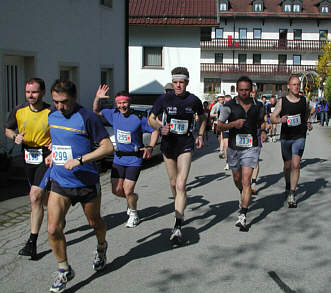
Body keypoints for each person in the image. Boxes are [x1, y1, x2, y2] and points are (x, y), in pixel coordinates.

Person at [46, 80, 113, 292]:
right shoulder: (51, 115)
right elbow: (58, 140)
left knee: (95, 223)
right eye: (55, 102)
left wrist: (80, 160)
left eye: (64, 102)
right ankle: (64, 269)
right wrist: (52, 154)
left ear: (74, 98)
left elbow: (107, 147)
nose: (59, 107)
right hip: (60, 181)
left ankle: (101, 247)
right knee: (52, 228)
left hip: (86, 182)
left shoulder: (88, 118)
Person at [148, 67, 206, 246]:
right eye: (175, 82)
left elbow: (203, 117)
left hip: (186, 145)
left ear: (187, 82)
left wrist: (201, 135)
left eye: (181, 82)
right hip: (168, 146)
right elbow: (151, 118)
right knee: (174, 184)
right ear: (172, 82)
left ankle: (178, 225)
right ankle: (179, 203)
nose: (178, 85)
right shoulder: (164, 98)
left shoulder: (193, 100)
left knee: (181, 183)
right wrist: (159, 127)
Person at [93, 86, 159, 228]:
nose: (122, 106)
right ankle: (132, 199)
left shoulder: (139, 117)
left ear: (129, 103)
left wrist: (150, 147)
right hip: (119, 158)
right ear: (116, 104)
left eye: (125, 103)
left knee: (128, 190)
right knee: (116, 190)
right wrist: (98, 97)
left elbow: (154, 131)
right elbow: (96, 111)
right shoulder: (113, 114)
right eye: (119, 103)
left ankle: (134, 214)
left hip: (134, 159)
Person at [5, 78, 51, 260]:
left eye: (34, 92)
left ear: (43, 92)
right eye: (28, 92)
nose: (30, 95)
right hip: (28, 157)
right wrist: (15, 136)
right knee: (39, 197)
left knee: (34, 196)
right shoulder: (19, 110)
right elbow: (7, 129)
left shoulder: (51, 111)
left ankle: (32, 242)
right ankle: (57, 208)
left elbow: (61, 129)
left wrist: (55, 143)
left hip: (46, 156)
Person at [218, 76, 266, 231]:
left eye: (247, 90)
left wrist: (264, 131)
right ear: (237, 90)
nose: (244, 93)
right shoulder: (228, 106)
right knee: (237, 178)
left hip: (251, 147)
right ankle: (242, 193)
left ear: (251, 90)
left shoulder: (258, 106)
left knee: (246, 181)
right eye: (241, 90)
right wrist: (233, 124)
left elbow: (262, 121)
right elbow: (218, 127)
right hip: (233, 147)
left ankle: (243, 215)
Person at [271, 75, 312, 208]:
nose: (296, 87)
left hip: (300, 136)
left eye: (298, 84)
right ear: (288, 86)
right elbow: (272, 118)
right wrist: (280, 120)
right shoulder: (282, 101)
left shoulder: (304, 100)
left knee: (295, 165)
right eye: (294, 84)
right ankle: (288, 184)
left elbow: (309, 111)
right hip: (286, 137)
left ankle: (292, 194)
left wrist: (308, 122)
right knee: (287, 166)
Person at [218, 95, 232, 170]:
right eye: (226, 101)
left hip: (234, 130)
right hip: (226, 129)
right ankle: (227, 162)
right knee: (226, 146)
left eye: (229, 101)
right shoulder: (222, 108)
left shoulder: (235, 108)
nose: (227, 102)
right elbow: (219, 119)